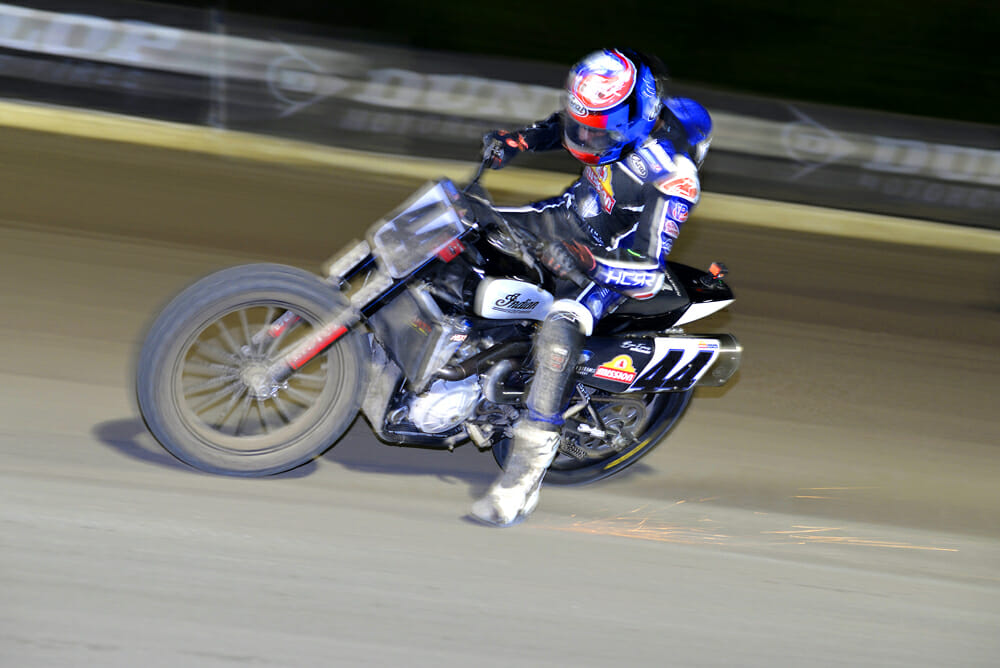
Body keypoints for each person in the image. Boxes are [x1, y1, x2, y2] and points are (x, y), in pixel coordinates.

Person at [469, 48, 713, 527]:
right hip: (564, 220)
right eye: (583, 124)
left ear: (633, 120)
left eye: (594, 130)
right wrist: (514, 142)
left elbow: (646, 273)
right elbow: (562, 124)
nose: (581, 137)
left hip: (607, 269)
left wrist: (586, 261)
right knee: (464, 220)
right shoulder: (605, 120)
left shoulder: (673, 178)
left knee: (559, 331)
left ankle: (520, 483)